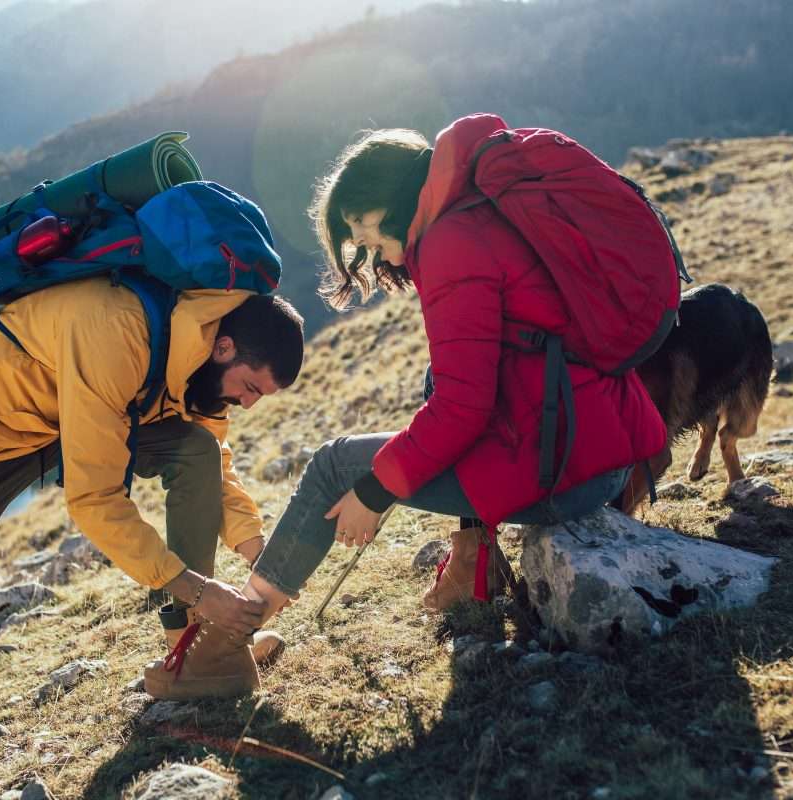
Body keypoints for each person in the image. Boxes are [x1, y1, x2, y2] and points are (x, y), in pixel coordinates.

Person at [144, 113, 667, 700]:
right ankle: (473, 562)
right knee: (432, 379)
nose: (363, 244)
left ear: (390, 199)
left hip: (563, 469)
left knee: (334, 466)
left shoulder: (450, 241)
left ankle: (220, 651)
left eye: (360, 224)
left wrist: (374, 490)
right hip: (591, 446)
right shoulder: (477, 211)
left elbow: (463, 409)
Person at [0, 278, 305, 764]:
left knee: (196, 451)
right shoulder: (117, 332)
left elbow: (214, 456)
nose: (248, 403)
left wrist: (256, 550)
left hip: (83, 410)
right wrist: (197, 588)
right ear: (224, 347)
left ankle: (192, 653)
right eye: (250, 387)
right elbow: (94, 499)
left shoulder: (197, 357)